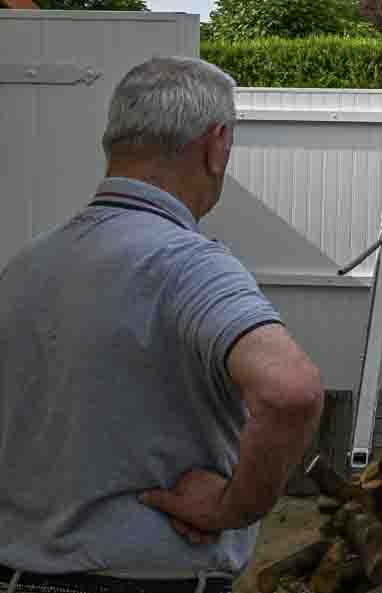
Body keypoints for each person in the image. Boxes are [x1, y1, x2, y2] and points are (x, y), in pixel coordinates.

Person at [0, 56, 324, 593]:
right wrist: (230, 507)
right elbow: (291, 392)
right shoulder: (189, 266)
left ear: (115, 141)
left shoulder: (27, 265)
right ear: (216, 146)